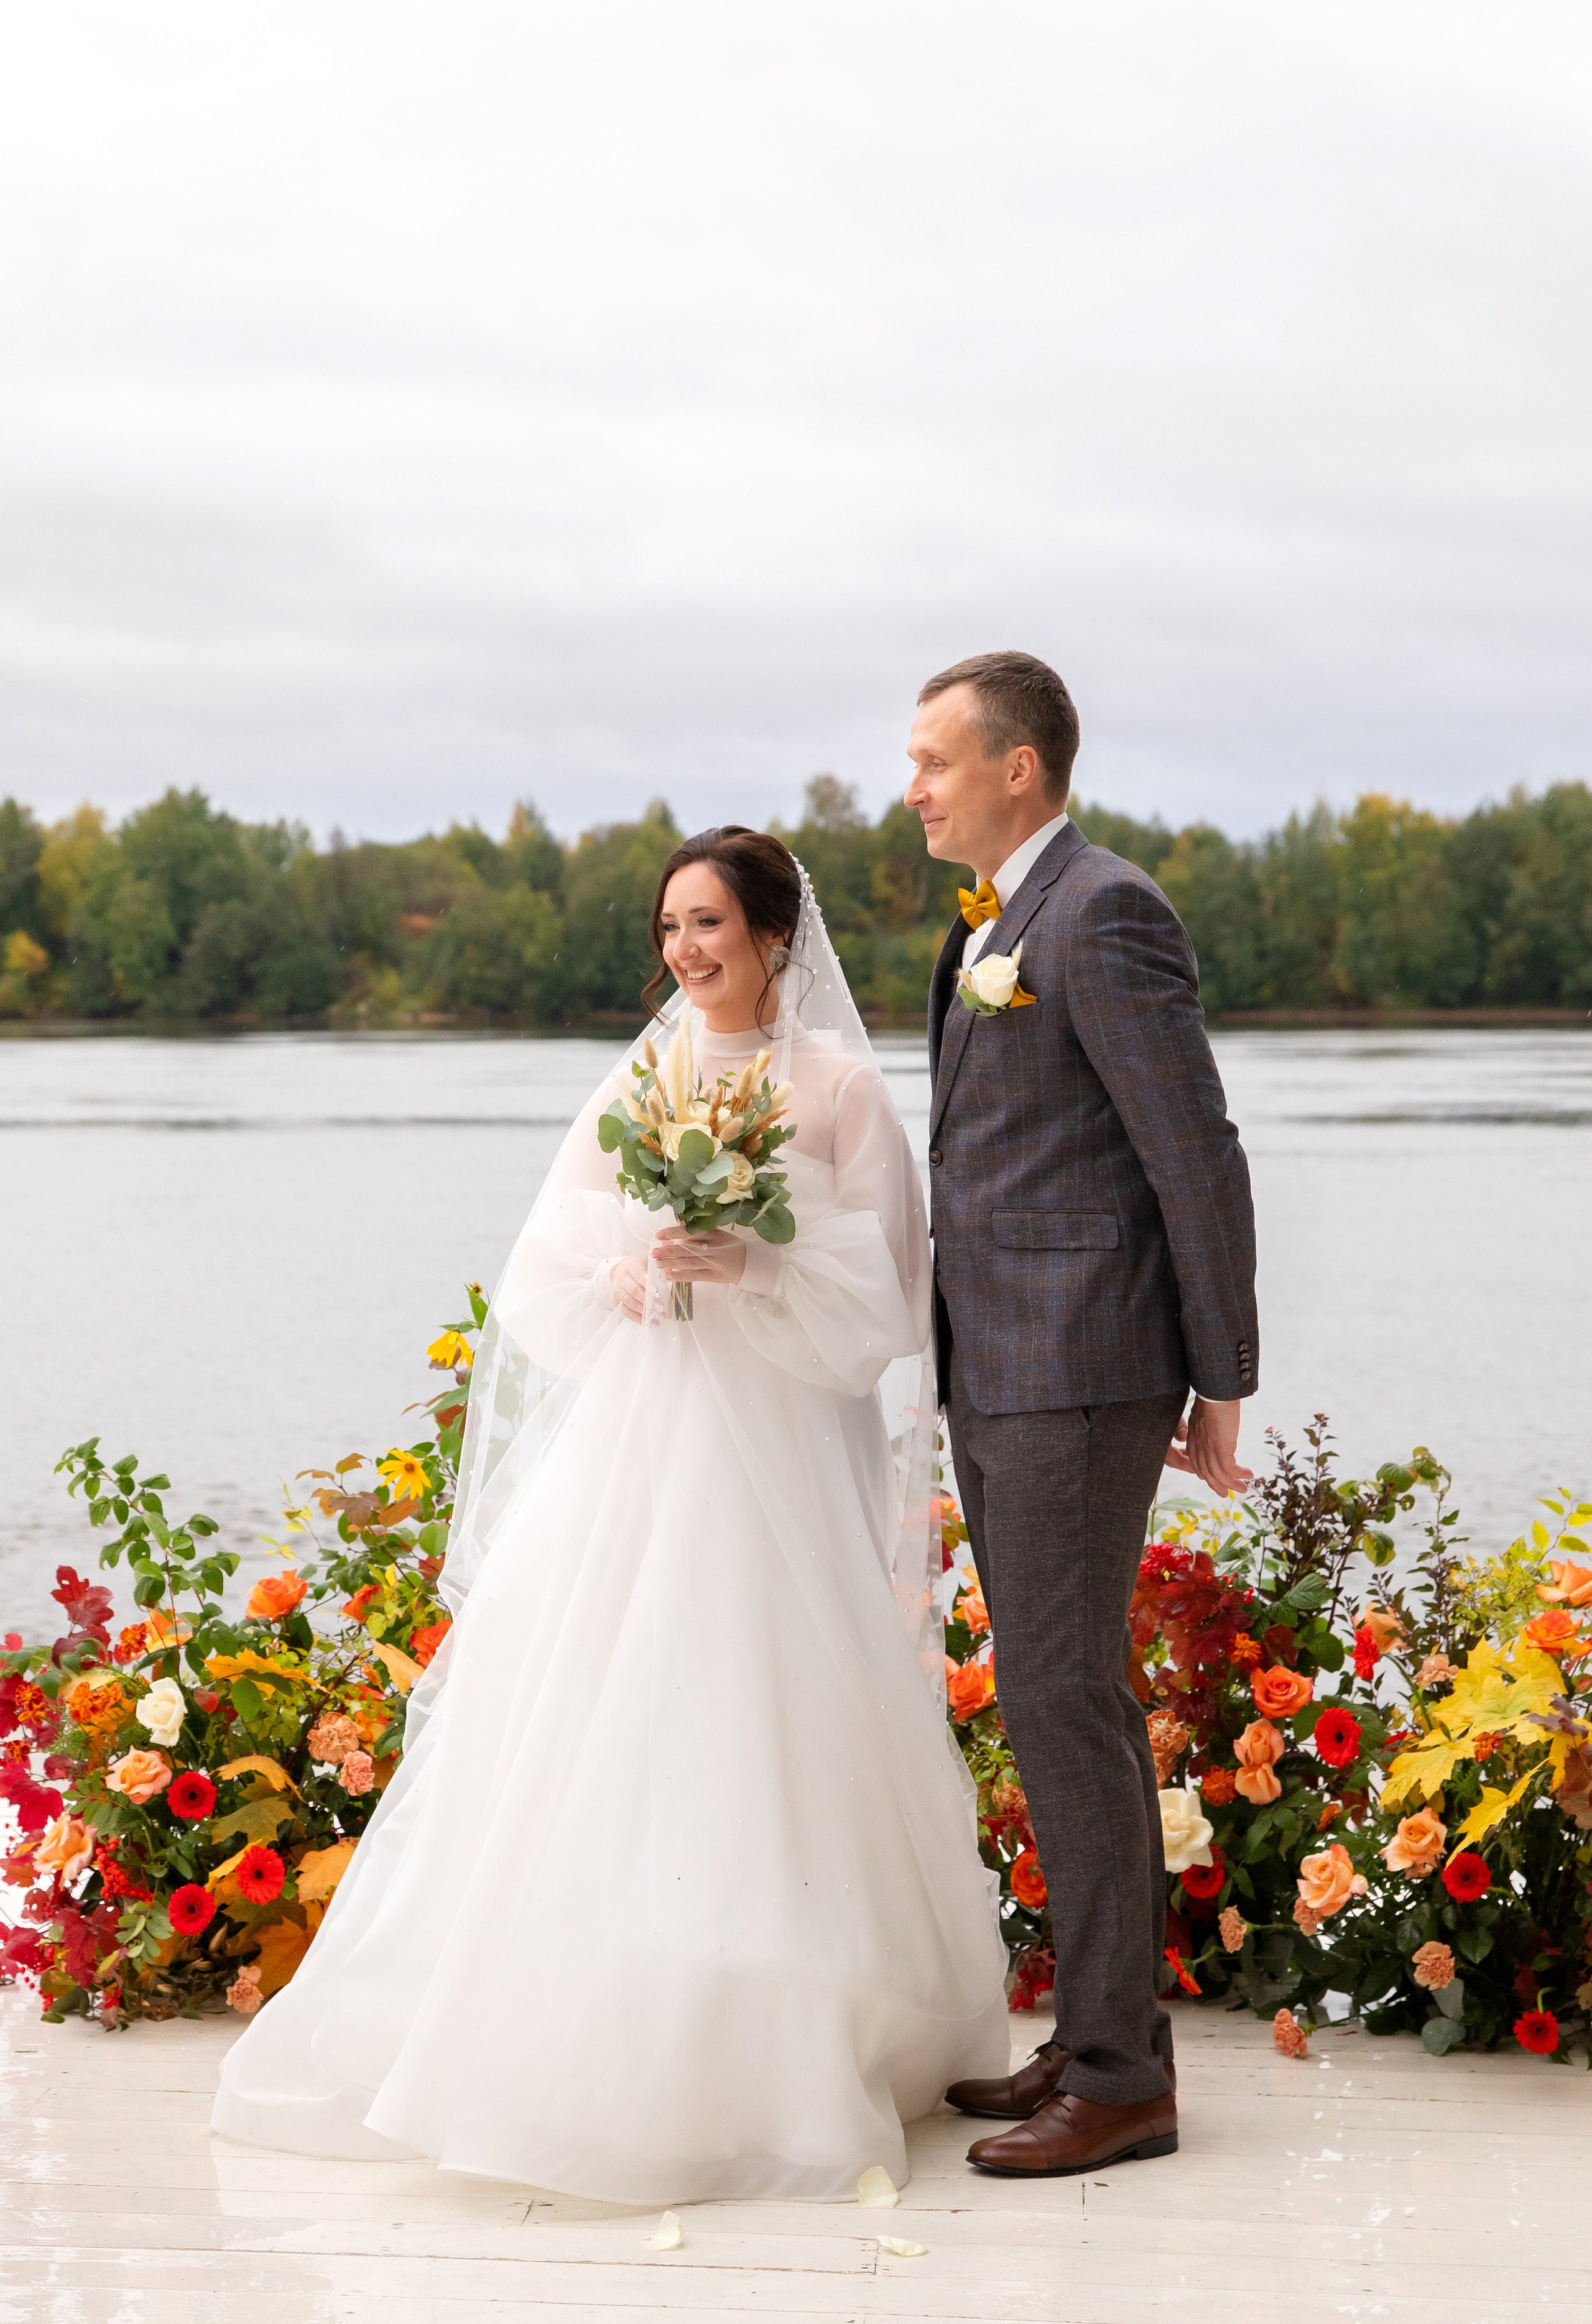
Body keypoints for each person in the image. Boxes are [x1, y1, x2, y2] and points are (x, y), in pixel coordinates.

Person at [211, 827, 1009, 2205]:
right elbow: (545, 1262)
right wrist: (636, 1276)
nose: (686, 952)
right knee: (610, 1692)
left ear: (773, 935)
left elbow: (882, 1305)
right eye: (668, 929)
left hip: (776, 1438)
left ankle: (791, 2023)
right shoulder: (645, 1074)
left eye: (708, 924)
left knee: (768, 1701)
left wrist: (753, 1261)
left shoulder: (835, 1091)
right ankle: (586, 2015)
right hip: (647, 1433)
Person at [909, 650, 1259, 2179]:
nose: (909, 785)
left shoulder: (1102, 910)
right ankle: (1095, 2032)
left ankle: (1124, 2081)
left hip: (1078, 1367)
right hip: (996, 1364)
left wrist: (1222, 1377)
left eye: (932, 759)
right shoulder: (998, 923)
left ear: (1019, 771)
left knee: (1061, 1699)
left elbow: (1196, 1152)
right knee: (1065, 1700)